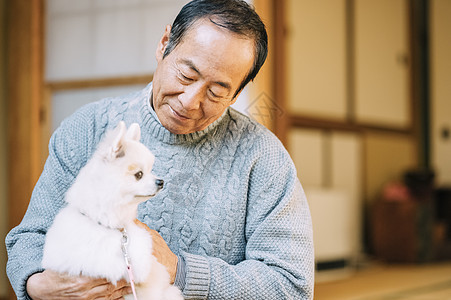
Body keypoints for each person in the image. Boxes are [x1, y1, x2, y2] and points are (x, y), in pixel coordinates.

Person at [6, 0, 315, 299]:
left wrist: (180, 270)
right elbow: (28, 239)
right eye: (186, 75)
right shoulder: (89, 129)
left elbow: (292, 287)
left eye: (217, 91)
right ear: (165, 43)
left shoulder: (264, 158)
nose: (189, 101)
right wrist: (36, 284)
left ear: (237, 94)